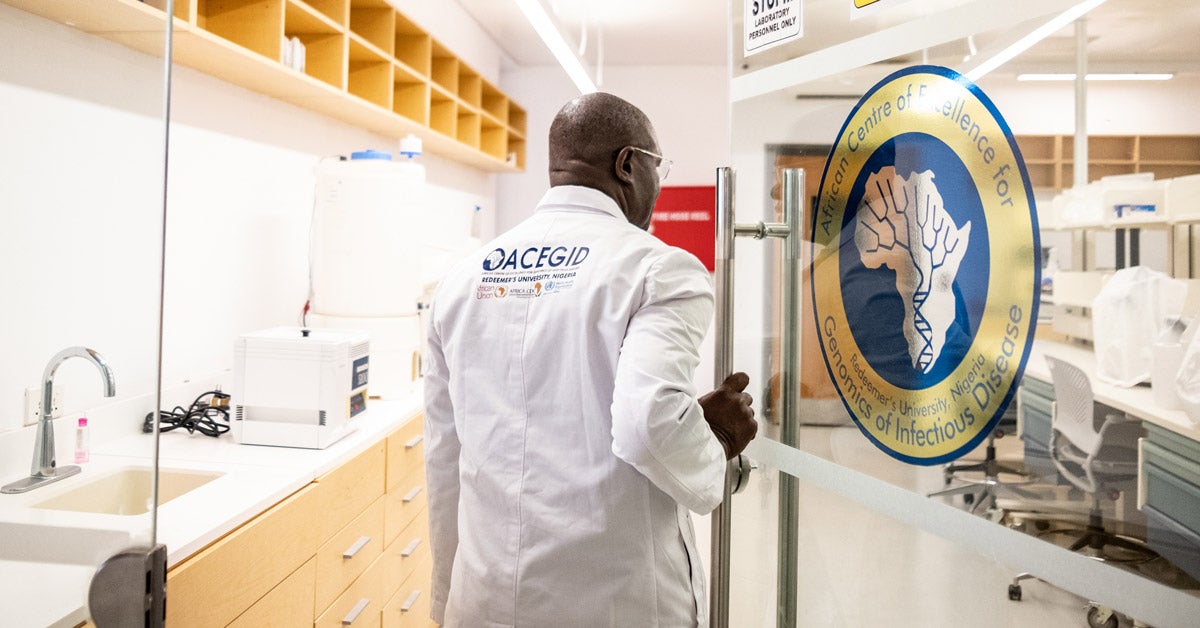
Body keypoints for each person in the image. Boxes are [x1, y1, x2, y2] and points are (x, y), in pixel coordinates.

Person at [423, 92, 758, 628]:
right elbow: (648, 424)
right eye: (657, 167)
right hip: (611, 602)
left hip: (482, 598)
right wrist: (714, 442)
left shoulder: (461, 280)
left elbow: (444, 459)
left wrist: (444, 603)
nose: (659, 183)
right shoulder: (658, 269)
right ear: (628, 164)